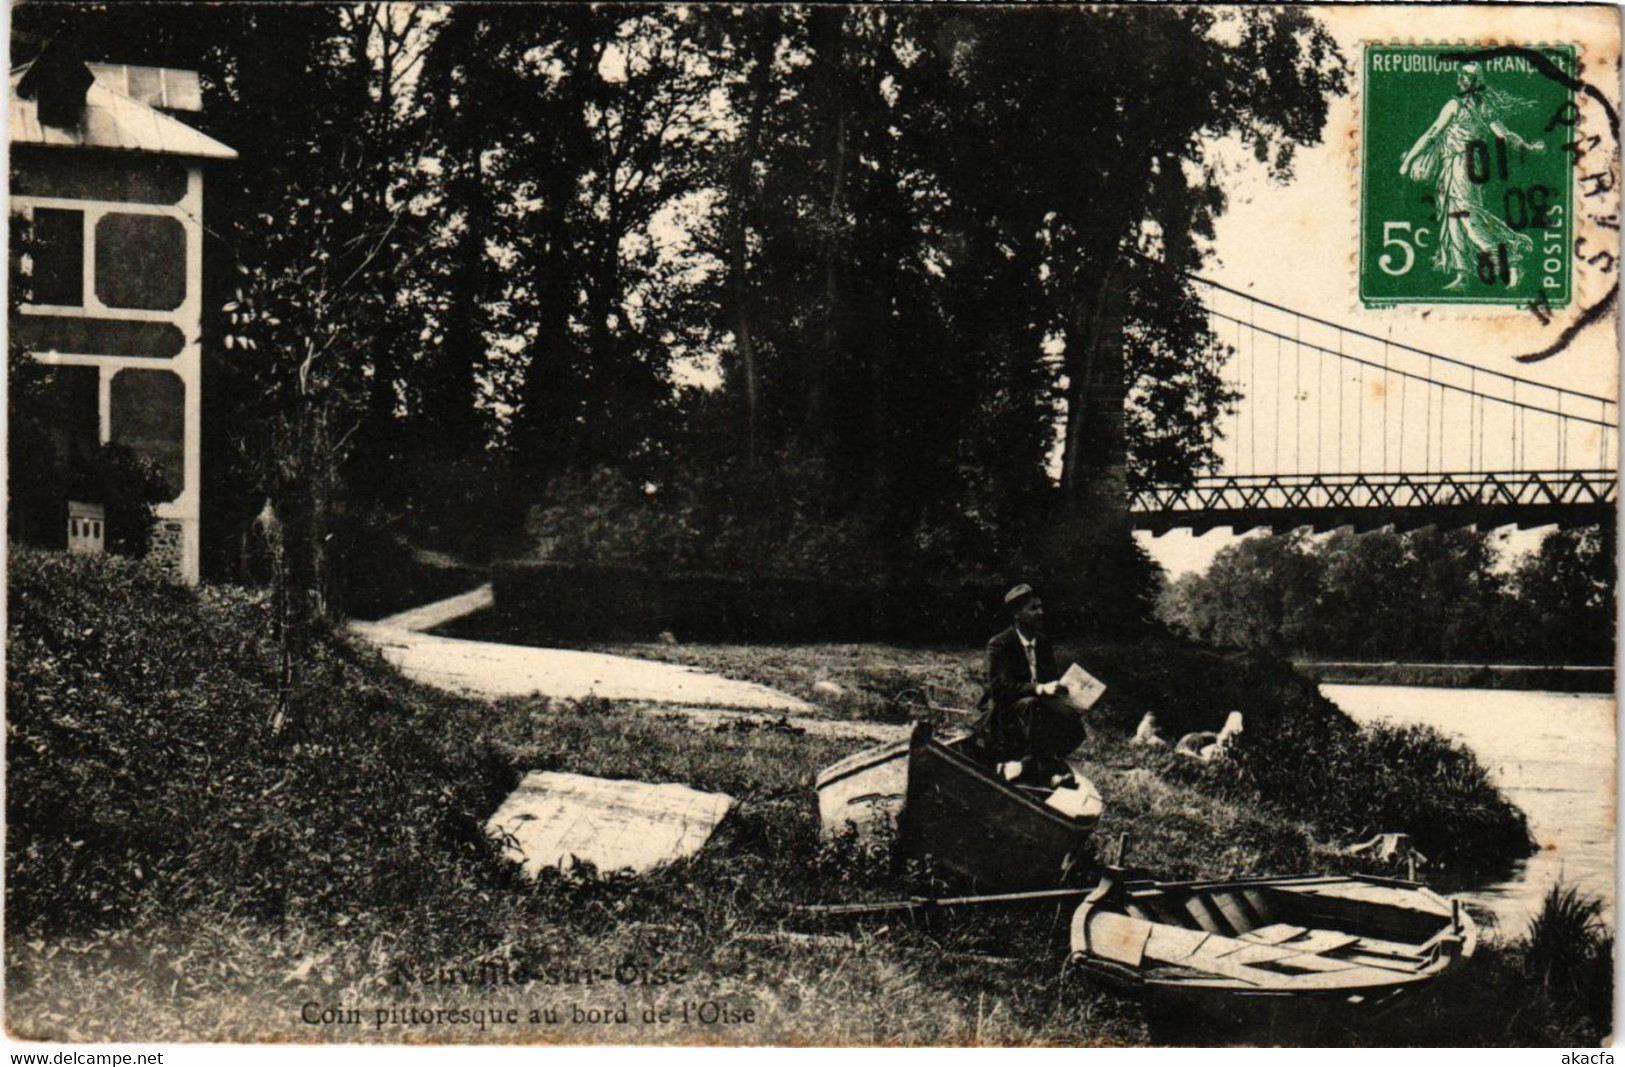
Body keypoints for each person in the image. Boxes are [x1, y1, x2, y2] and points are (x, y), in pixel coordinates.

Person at [1399, 61, 1545, 291]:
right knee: (1454, 219)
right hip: (1461, 167)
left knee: (1467, 218)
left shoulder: (1456, 106)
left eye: (1466, 76)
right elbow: (1504, 135)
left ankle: (1511, 260)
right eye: (1460, 75)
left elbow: (1432, 133)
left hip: (1462, 165)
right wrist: (1526, 146)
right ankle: (1462, 274)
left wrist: (1408, 161)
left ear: (1475, 81)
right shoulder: (1480, 107)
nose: (1460, 79)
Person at [976, 584, 1087, 781]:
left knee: (1075, 726)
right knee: (1031, 705)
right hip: (1003, 713)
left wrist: (1071, 700)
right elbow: (998, 689)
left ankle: (1024, 765)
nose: (1040, 613)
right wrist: (1039, 688)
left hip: (1034, 712)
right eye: (1033, 608)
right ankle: (1051, 773)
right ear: (1017, 614)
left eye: (1041, 607)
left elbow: (1050, 681)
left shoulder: (1043, 643)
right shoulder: (999, 644)